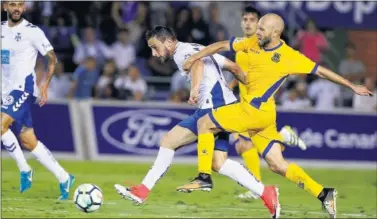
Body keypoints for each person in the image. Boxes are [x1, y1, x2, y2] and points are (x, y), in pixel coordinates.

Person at [180, 13, 373, 219]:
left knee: (204, 122)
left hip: (253, 111)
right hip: (264, 115)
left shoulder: (289, 56)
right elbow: (220, 45)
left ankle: (203, 177)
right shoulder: (253, 41)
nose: (258, 31)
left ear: (275, 33)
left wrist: (352, 86)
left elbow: (322, 72)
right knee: (277, 165)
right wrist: (195, 57)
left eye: (262, 28)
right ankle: (323, 193)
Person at [114, 26, 281, 218]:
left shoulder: (181, 52)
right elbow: (234, 67)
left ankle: (143, 190)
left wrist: (194, 89)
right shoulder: (195, 47)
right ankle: (266, 193)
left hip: (212, 108)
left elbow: (198, 65)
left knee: (169, 141)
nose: (153, 52)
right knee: (219, 163)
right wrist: (251, 90)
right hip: (225, 105)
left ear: (168, 41)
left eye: (155, 47)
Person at [226, 6, 307, 200]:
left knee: (247, 146)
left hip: (257, 107)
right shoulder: (244, 47)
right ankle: (281, 139)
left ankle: (256, 186)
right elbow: (246, 75)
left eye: (252, 20)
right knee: (244, 146)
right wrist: (232, 83)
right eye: (244, 19)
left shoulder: (263, 47)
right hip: (246, 103)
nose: (247, 23)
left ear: (261, 24)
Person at [1, 1, 75, 200]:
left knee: (0, 125)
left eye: (20, 4)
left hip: (22, 89)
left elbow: (52, 58)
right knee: (28, 140)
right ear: (4, 7)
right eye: (12, 4)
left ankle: (25, 169)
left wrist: (44, 84)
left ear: (24, 8)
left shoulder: (32, 32)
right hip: (4, 91)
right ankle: (64, 177)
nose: (16, 8)